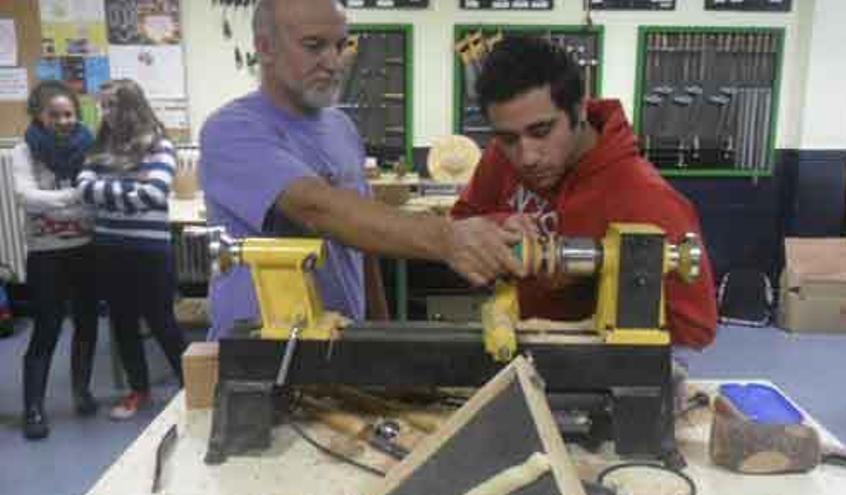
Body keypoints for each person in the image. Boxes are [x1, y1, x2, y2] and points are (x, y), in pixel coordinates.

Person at [199, 0, 524, 339]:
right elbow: (317, 209)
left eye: (341, 45)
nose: (333, 62)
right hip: (258, 352)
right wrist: (448, 238)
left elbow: (362, 242)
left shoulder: (341, 128)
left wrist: (380, 334)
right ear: (266, 48)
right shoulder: (231, 130)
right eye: (314, 46)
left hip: (337, 344)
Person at [450, 36, 718, 349]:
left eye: (542, 131)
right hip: (512, 348)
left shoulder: (645, 198)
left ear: (579, 110)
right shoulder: (501, 156)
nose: (527, 157)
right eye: (508, 138)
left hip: (591, 373)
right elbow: (460, 224)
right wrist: (498, 225)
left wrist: (599, 281)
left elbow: (697, 330)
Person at [75, 79, 186, 419]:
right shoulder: (99, 147)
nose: (106, 113)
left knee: (162, 320)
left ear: (132, 106)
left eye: (113, 105)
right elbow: (82, 189)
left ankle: (191, 385)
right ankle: (138, 390)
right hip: (109, 247)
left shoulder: (159, 146)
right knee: (123, 323)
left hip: (149, 251)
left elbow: (153, 195)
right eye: (103, 106)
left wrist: (103, 189)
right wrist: (126, 189)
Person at [12, 80, 100, 439]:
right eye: (55, 115)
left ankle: (82, 392)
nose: (64, 121)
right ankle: (33, 409)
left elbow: (95, 197)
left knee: (87, 324)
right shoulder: (24, 151)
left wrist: (58, 201)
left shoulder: (89, 146)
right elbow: (25, 197)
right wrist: (73, 197)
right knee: (46, 328)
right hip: (46, 253)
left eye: (69, 114)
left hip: (86, 249)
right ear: (39, 115)